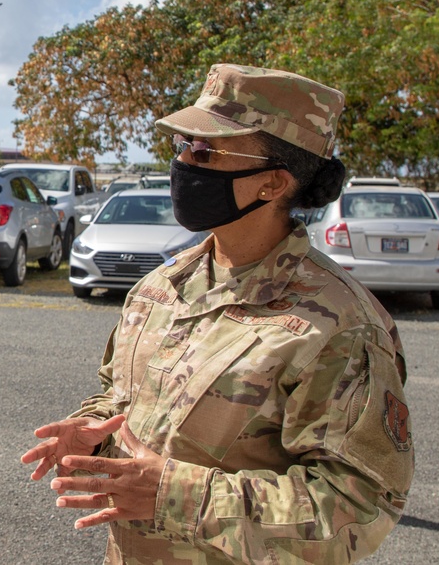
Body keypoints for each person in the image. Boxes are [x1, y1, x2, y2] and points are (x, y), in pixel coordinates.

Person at [22, 63, 414, 564]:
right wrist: (94, 431)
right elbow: (120, 394)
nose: (184, 163)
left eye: (204, 151)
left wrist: (176, 495)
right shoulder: (161, 285)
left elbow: (361, 505)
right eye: (182, 145)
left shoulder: (339, 324)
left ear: (272, 184)